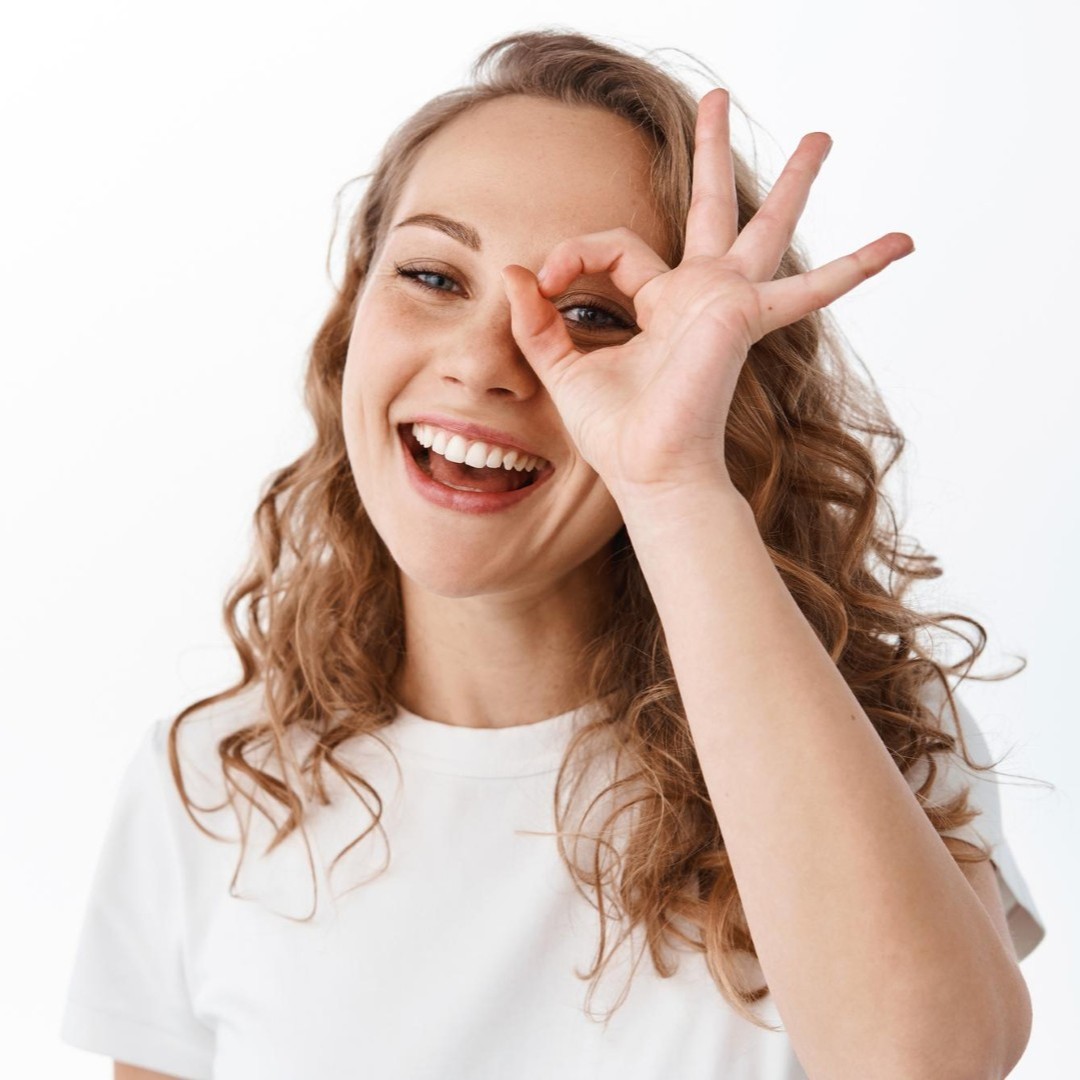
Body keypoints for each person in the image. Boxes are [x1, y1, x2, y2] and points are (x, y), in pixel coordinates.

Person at [59, 28, 1046, 1080]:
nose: (486, 362)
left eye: (590, 315)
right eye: (435, 275)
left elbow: (929, 1063)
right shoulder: (213, 781)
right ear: (351, 318)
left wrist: (671, 480)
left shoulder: (856, 728)